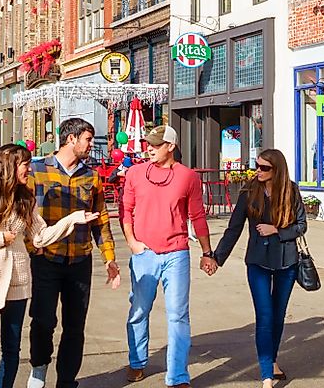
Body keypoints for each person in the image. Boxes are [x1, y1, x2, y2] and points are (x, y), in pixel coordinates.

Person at [0, 144, 97, 388]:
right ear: (9, 166)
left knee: (12, 351)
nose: (29, 169)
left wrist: (73, 220)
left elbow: (40, 236)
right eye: (25, 164)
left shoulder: (25, 198)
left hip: (17, 284)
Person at [27, 118, 120, 388]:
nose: (92, 145)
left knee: (75, 325)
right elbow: (23, 214)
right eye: (88, 139)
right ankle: (39, 367)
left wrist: (110, 258)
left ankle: (67, 380)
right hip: (46, 260)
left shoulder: (91, 176)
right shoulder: (36, 170)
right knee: (43, 320)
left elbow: (100, 220)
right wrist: (33, 247)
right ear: (71, 139)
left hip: (80, 260)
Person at [120, 125, 213, 388]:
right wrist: (132, 242)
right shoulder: (135, 173)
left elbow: (197, 216)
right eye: (148, 143)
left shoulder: (188, 177)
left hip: (176, 253)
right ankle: (137, 362)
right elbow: (126, 210)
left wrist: (207, 253)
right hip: (144, 253)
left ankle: (177, 376)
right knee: (139, 311)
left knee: (178, 315)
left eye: (156, 144)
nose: (149, 148)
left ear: (171, 146)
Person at [213, 149, 305, 388]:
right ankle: (266, 374)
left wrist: (277, 230)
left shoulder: (291, 190)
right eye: (257, 166)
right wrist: (216, 258)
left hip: (287, 261)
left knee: (278, 315)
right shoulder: (249, 191)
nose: (258, 171)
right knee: (264, 316)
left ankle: (272, 360)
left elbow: (302, 226)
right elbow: (234, 228)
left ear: (277, 170)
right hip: (258, 261)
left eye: (264, 168)